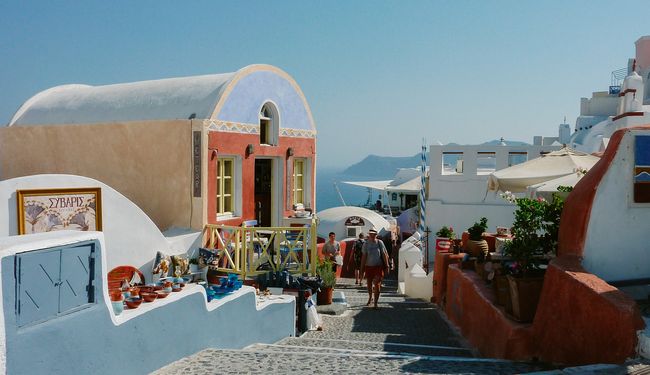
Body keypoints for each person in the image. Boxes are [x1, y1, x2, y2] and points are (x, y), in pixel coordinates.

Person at [360, 228, 389, 309]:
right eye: (371, 234)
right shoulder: (366, 244)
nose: (372, 235)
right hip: (368, 266)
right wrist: (362, 269)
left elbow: (384, 254)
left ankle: (376, 303)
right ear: (369, 234)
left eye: (374, 234)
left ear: (376, 235)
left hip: (378, 267)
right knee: (369, 284)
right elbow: (364, 257)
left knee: (377, 284)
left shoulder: (380, 243)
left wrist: (387, 266)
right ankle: (370, 297)